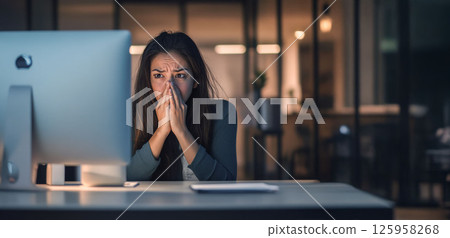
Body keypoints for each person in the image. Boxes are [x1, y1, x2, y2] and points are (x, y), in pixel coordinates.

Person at [127, 31, 237, 181]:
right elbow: (128, 177)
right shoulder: (133, 112)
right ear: (149, 81)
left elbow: (225, 181)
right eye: (159, 76)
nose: (170, 86)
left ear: (195, 79)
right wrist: (162, 130)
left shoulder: (222, 112)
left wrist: (181, 131)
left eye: (180, 75)